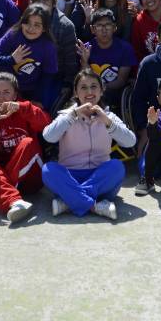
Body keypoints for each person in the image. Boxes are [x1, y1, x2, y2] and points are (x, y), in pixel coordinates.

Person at [41, 70, 137, 220]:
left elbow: (130, 141)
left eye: (94, 86)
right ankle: (93, 206)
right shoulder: (66, 115)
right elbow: (48, 137)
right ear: (76, 92)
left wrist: (107, 122)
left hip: (99, 179)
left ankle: (70, 202)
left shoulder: (109, 116)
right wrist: (73, 115)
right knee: (48, 170)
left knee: (117, 167)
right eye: (83, 87)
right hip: (70, 177)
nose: (89, 91)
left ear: (101, 90)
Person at [0, 73, 51, 223]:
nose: (1, 97)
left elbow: (46, 125)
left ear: (15, 95)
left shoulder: (24, 107)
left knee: (28, 142)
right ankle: (14, 201)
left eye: (6, 92)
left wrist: (22, 108)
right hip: (3, 173)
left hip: (29, 178)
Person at [0, 4, 60, 107]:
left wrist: (38, 99)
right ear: (22, 22)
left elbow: (48, 76)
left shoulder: (48, 46)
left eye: (37, 25)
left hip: (31, 91)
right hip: (6, 88)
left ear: (44, 28)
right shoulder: (12, 35)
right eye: (27, 23)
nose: (31, 28)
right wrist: (12, 59)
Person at [78, 9, 138, 109]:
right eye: (99, 25)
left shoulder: (125, 48)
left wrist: (99, 89)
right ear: (92, 29)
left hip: (114, 94)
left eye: (108, 25)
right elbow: (84, 78)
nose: (104, 29)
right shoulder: (86, 48)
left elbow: (121, 80)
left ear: (114, 28)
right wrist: (84, 61)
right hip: (90, 93)